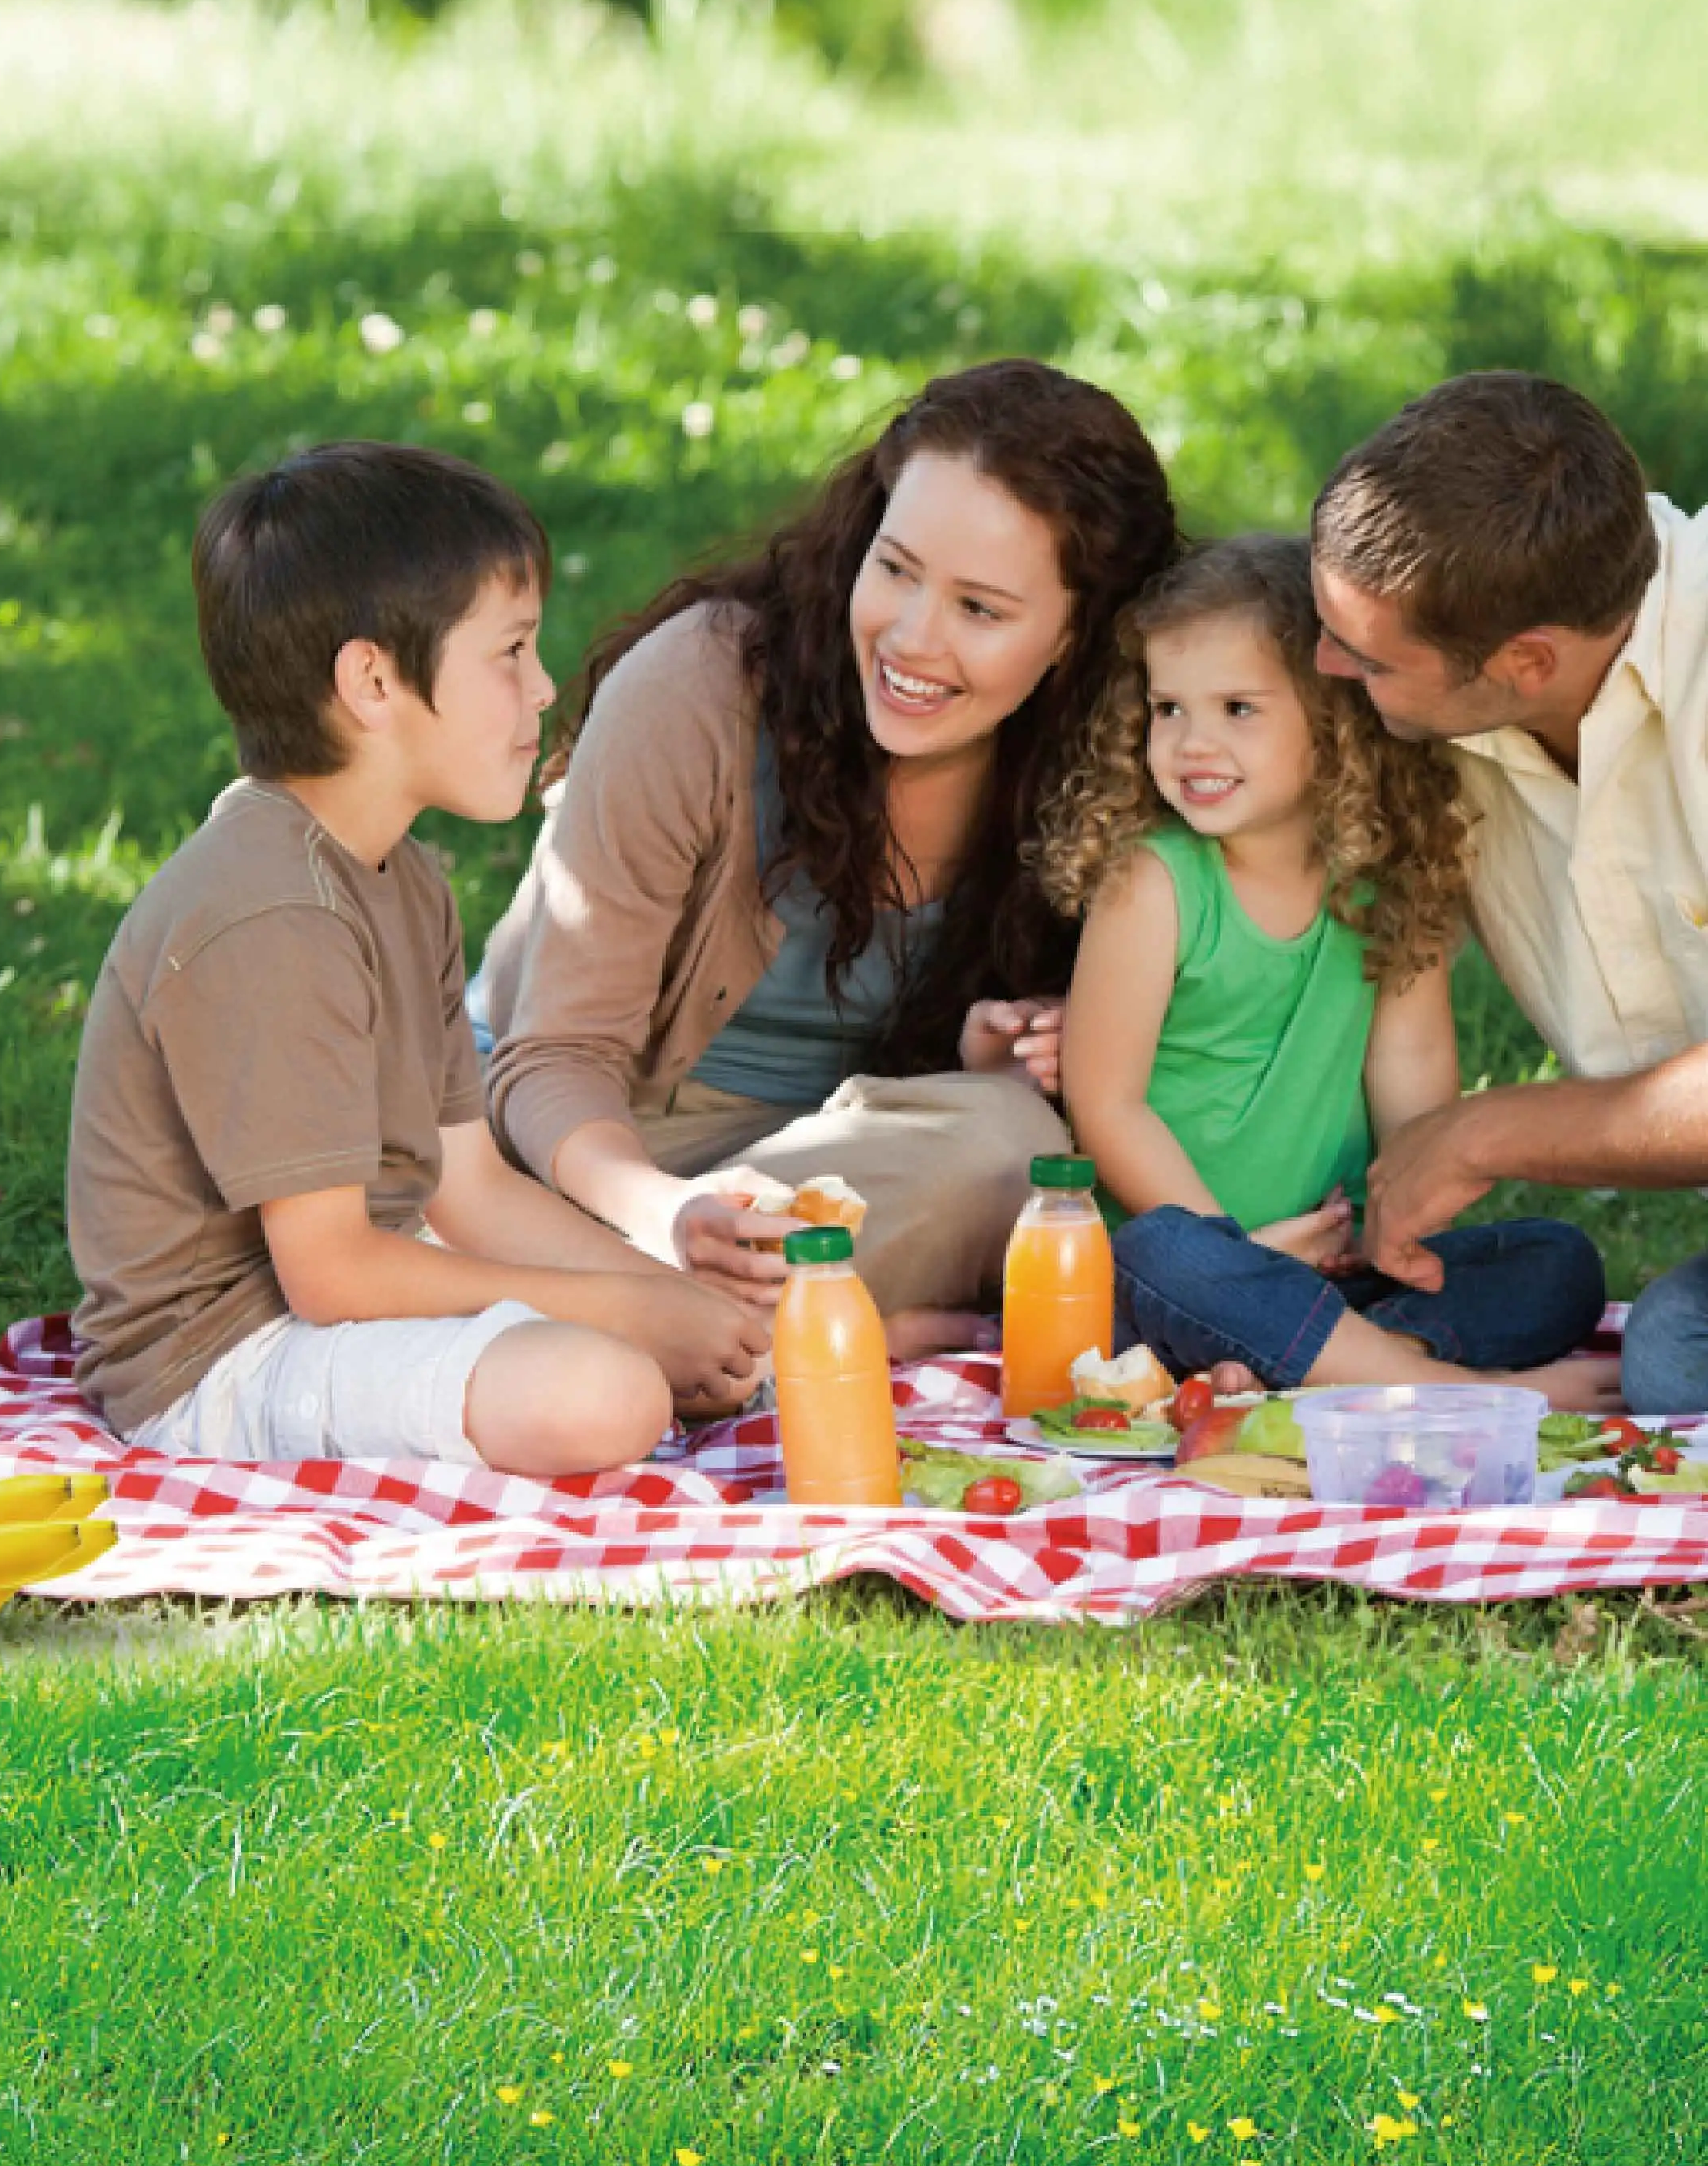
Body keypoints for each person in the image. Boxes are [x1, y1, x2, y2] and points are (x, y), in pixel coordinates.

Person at [66, 440, 770, 1479]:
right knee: (606, 1388)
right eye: (511, 652)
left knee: (667, 1345)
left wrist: (667, 1296)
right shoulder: (271, 912)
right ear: (372, 681)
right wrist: (632, 1310)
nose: (542, 690)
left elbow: (469, 1184)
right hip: (217, 1360)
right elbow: (331, 1274)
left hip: (341, 1302)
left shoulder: (402, 877)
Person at [471, 358, 1180, 1354]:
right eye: (894, 570)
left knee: (1012, 1146)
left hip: (831, 1173)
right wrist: (666, 1216)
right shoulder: (700, 689)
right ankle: (808, 1328)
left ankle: (700, 1330)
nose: (912, 639)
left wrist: (1032, 1045)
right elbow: (551, 1058)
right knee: (460, 1229)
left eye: (981, 609)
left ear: (1077, 635)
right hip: (590, 1146)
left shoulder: (1117, 765)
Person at [1042, 535, 1612, 1399]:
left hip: (1333, 1264)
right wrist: (1233, 1246)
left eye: (1237, 708)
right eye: (1168, 709)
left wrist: (1401, 1224)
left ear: (1333, 722)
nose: (1192, 742)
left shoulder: (1388, 880)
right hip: (1182, 1272)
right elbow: (1106, 1105)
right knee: (1161, 1257)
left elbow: (1411, 1068)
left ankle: (1349, 1362)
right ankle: (1442, 1387)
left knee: (1557, 1263)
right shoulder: (1152, 882)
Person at [1307, 373, 1708, 1411]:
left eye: (1364, 657)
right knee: (1673, 1356)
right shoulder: (1448, 716)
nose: (1323, 664)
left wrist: (1485, 1131)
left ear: (1528, 659)